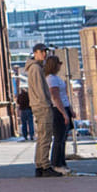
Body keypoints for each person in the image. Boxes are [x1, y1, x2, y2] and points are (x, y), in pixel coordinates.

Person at [25, 43, 64, 178]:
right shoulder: (35, 68)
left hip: (39, 105)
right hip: (42, 106)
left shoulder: (36, 67)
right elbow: (40, 90)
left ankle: (40, 166)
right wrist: (47, 104)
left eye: (45, 52)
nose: (44, 54)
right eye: (42, 52)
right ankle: (44, 166)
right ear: (35, 52)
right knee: (46, 136)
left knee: (42, 136)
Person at [45, 54, 70, 170]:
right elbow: (55, 97)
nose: (60, 65)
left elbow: (63, 95)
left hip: (64, 107)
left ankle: (62, 162)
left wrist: (70, 110)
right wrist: (64, 113)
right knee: (59, 138)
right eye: (59, 63)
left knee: (63, 138)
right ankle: (56, 163)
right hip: (58, 110)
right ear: (54, 65)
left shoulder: (56, 78)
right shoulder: (51, 79)